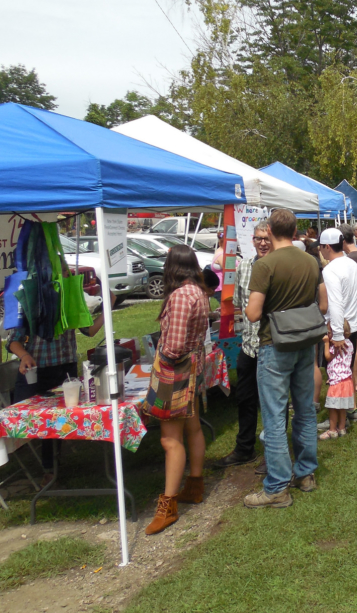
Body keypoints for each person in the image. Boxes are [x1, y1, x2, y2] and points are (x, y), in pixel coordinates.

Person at [243, 209, 328, 508]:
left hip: (274, 346)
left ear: (269, 231)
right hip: (306, 343)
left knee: (275, 416)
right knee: (305, 410)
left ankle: (277, 486)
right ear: (294, 230)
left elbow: (253, 313)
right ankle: (306, 475)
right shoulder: (311, 260)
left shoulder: (265, 265)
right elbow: (324, 303)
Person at [140, 245, 211, 535]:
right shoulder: (199, 292)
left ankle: (168, 505)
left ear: (172, 267)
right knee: (192, 427)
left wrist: (163, 359)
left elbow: (176, 343)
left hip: (176, 368)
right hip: (191, 365)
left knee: (170, 439)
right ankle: (194, 485)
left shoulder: (182, 295)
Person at [10, 283, 111, 484]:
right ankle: (47, 466)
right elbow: (14, 341)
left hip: (65, 367)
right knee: (38, 416)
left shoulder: (69, 304)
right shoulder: (32, 304)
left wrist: (108, 308)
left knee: (60, 417)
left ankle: (51, 464)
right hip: (39, 370)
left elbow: (89, 330)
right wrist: (24, 355)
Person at [215, 221, 273, 469]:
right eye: (258, 238)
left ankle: (274, 453)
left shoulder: (277, 266)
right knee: (245, 398)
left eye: (266, 239)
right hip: (248, 345)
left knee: (273, 402)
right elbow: (239, 302)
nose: (262, 243)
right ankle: (244, 448)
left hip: (272, 345)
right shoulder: (245, 267)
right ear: (252, 240)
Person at [318, 228, 357, 432]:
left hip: (339, 329)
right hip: (351, 326)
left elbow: (335, 304)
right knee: (345, 374)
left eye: (321, 247)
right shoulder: (352, 263)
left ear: (327, 247)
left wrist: (335, 335)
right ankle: (347, 413)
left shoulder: (330, 269)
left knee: (335, 377)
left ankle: (335, 421)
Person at [340, 224, 357, 395]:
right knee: (354, 340)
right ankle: (353, 379)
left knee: (354, 340)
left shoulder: (352, 257)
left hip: (353, 302)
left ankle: (354, 380)